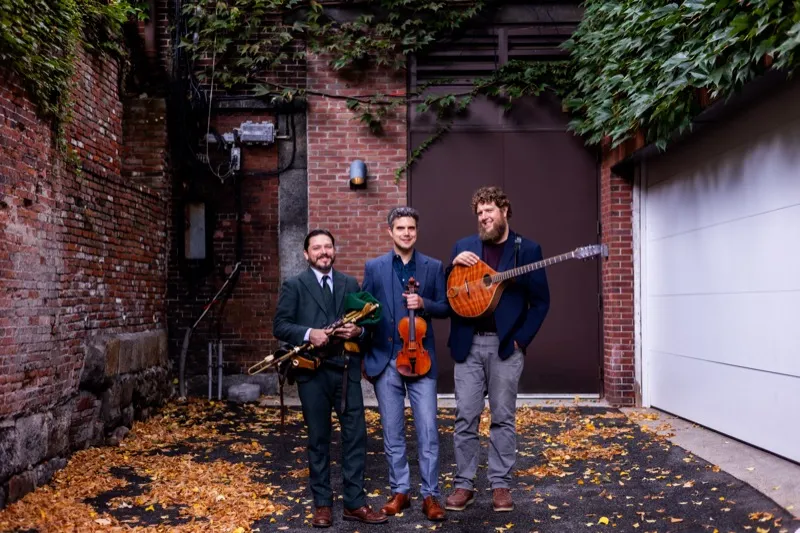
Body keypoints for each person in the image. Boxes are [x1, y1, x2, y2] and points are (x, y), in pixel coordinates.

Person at [444, 186, 550, 513]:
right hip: (468, 344)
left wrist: (520, 340)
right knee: (465, 417)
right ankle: (464, 485)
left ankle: (500, 484)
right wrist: (451, 266)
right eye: (479, 212)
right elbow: (452, 292)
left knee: (503, 418)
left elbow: (541, 302)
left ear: (505, 211)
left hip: (505, 347)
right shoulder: (464, 247)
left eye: (489, 210)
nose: (484, 217)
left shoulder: (527, 250)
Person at [273, 229, 388, 528]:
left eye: (328, 247)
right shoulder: (294, 285)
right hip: (312, 373)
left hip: (346, 370)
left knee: (355, 437)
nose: (323, 252)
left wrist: (358, 332)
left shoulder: (350, 283)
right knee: (319, 439)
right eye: (316, 248)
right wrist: (309, 333)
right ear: (306, 253)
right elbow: (280, 325)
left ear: (334, 251)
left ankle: (354, 503)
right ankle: (322, 504)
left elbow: (367, 327)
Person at [362, 207, 449, 521]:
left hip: (422, 360)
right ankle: (400, 490)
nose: (406, 233)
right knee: (393, 431)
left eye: (411, 227)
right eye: (400, 228)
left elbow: (446, 307)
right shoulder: (374, 267)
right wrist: (362, 353)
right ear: (390, 231)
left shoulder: (433, 267)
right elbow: (364, 311)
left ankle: (430, 495)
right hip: (387, 359)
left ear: (417, 231)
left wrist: (424, 303)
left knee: (428, 429)